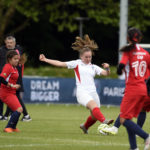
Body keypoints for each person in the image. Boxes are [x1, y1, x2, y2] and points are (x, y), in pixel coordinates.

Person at [39, 34, 114, 134]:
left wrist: (107, 68)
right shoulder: (77, 63)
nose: (88, 59)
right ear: (81, 56)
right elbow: (60, 63)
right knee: (95, 108)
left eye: (90, 57)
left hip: (93, 92)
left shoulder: (93, 67)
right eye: (86, 57)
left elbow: (106, 73)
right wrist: (46, 59)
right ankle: (104, 121)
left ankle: (85, 126)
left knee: (94, 115)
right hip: (82, 92)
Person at [99, 27, 150, 150]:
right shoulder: (146, 53)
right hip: (143, 88)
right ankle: (133, 148)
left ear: (128, 38)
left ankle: (146, 136)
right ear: (140, 38)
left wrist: (118, 69)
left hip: (132, 88)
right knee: (129, 118)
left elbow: (121, 66)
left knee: (123, 119)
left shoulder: (128, 52)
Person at [0, 35, 31, 121]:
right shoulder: (3, 50)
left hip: (15, 78)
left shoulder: (17, 50)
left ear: (14, 43)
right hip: (8, 78)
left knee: (14, 97)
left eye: (11, 43)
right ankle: (6, 116)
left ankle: (25, 115)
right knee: (12, 97)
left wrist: (11, 84)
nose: (9, 44)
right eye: (7, 43)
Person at [0, 50, 23, 132]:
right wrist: (11, 85)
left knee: (19, 109)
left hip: (11, 93)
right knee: (19, 109)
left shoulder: (15, 68)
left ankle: (13, 127)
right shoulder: (7, 67)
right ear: (9, 59)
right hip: (5, 93)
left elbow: (13, 81)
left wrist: (17, 85)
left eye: (17, 59)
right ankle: (8, 127)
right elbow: (1, 78)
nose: (17, 60)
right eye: (15, 59)